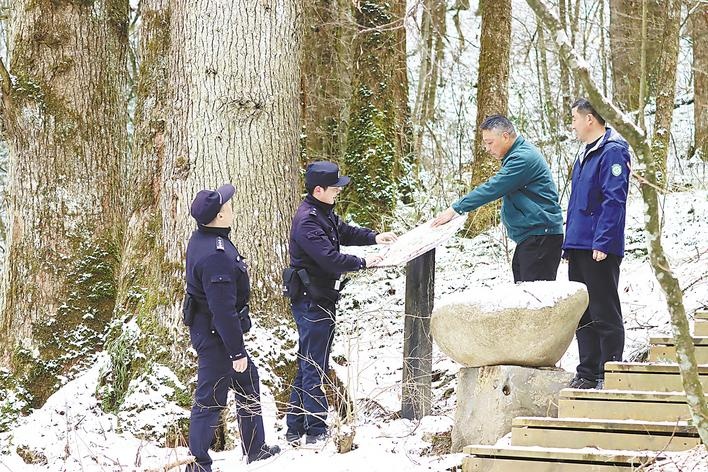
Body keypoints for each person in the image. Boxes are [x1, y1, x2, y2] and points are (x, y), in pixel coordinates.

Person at [283, 161, 397, 446]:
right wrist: (363, 261)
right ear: (319, 190)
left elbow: (344, 232)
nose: (338, 192)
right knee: (314, 365)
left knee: (310, 360)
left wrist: (373, 237)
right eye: (334, 188)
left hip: (321, 298)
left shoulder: (322, 212)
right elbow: (329, 258)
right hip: (312, 300)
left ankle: (295, 428)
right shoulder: (308, 220)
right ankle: (316, 430)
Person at [184, 184, 280, 470]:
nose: (232, 208)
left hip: (213, 329)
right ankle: (198, 462)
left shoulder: (205, 237)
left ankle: (256, 448)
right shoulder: (216, 255)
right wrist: (236, 352)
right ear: (220, 216)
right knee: (210, 397)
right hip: (216, 335)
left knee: (248, 380)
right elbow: (223, 311)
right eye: (228, 206)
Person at [432, 114, 564, 282]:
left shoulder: (522, 158)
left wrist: (455, 208)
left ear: (505, 136)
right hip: (533, 237)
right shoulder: (517, 154)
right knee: (524, 295)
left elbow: (493, 188)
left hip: (541, 237)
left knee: (536, 301)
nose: (487, 149)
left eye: (489, 143)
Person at [565, 98, 631, 390]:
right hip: (579, 244)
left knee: (604, 309)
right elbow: (577, 203)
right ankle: (588, 371)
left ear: (590, 119)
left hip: (599, 245)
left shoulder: (612, 151)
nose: (572, 125)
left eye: (575, 119)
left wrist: (603, 241)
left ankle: (610, 370)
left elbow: (614, 200)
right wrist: (569, 245)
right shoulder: (585, 152)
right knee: (584, 312)